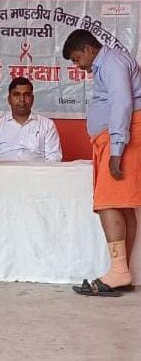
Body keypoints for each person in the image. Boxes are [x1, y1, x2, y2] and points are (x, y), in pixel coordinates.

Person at [63, 29, 141, 297]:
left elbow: (122, 102)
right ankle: (122, 272)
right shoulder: (108, 64)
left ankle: (118, 273)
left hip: (118, 139)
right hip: (113, 138)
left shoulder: (111, 63)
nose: (78, 66)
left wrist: (117, 146)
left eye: (76, 59)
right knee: (122, 205)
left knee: (107, 202)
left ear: (88, 49)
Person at [0, 77, 62, 162]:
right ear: (9, 99)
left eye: (27, 95)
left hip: (38, 173)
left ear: (32, 99)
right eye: (17, 94)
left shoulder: (47, 125)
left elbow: (54, 158)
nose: (22, 100)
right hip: (4, 173)